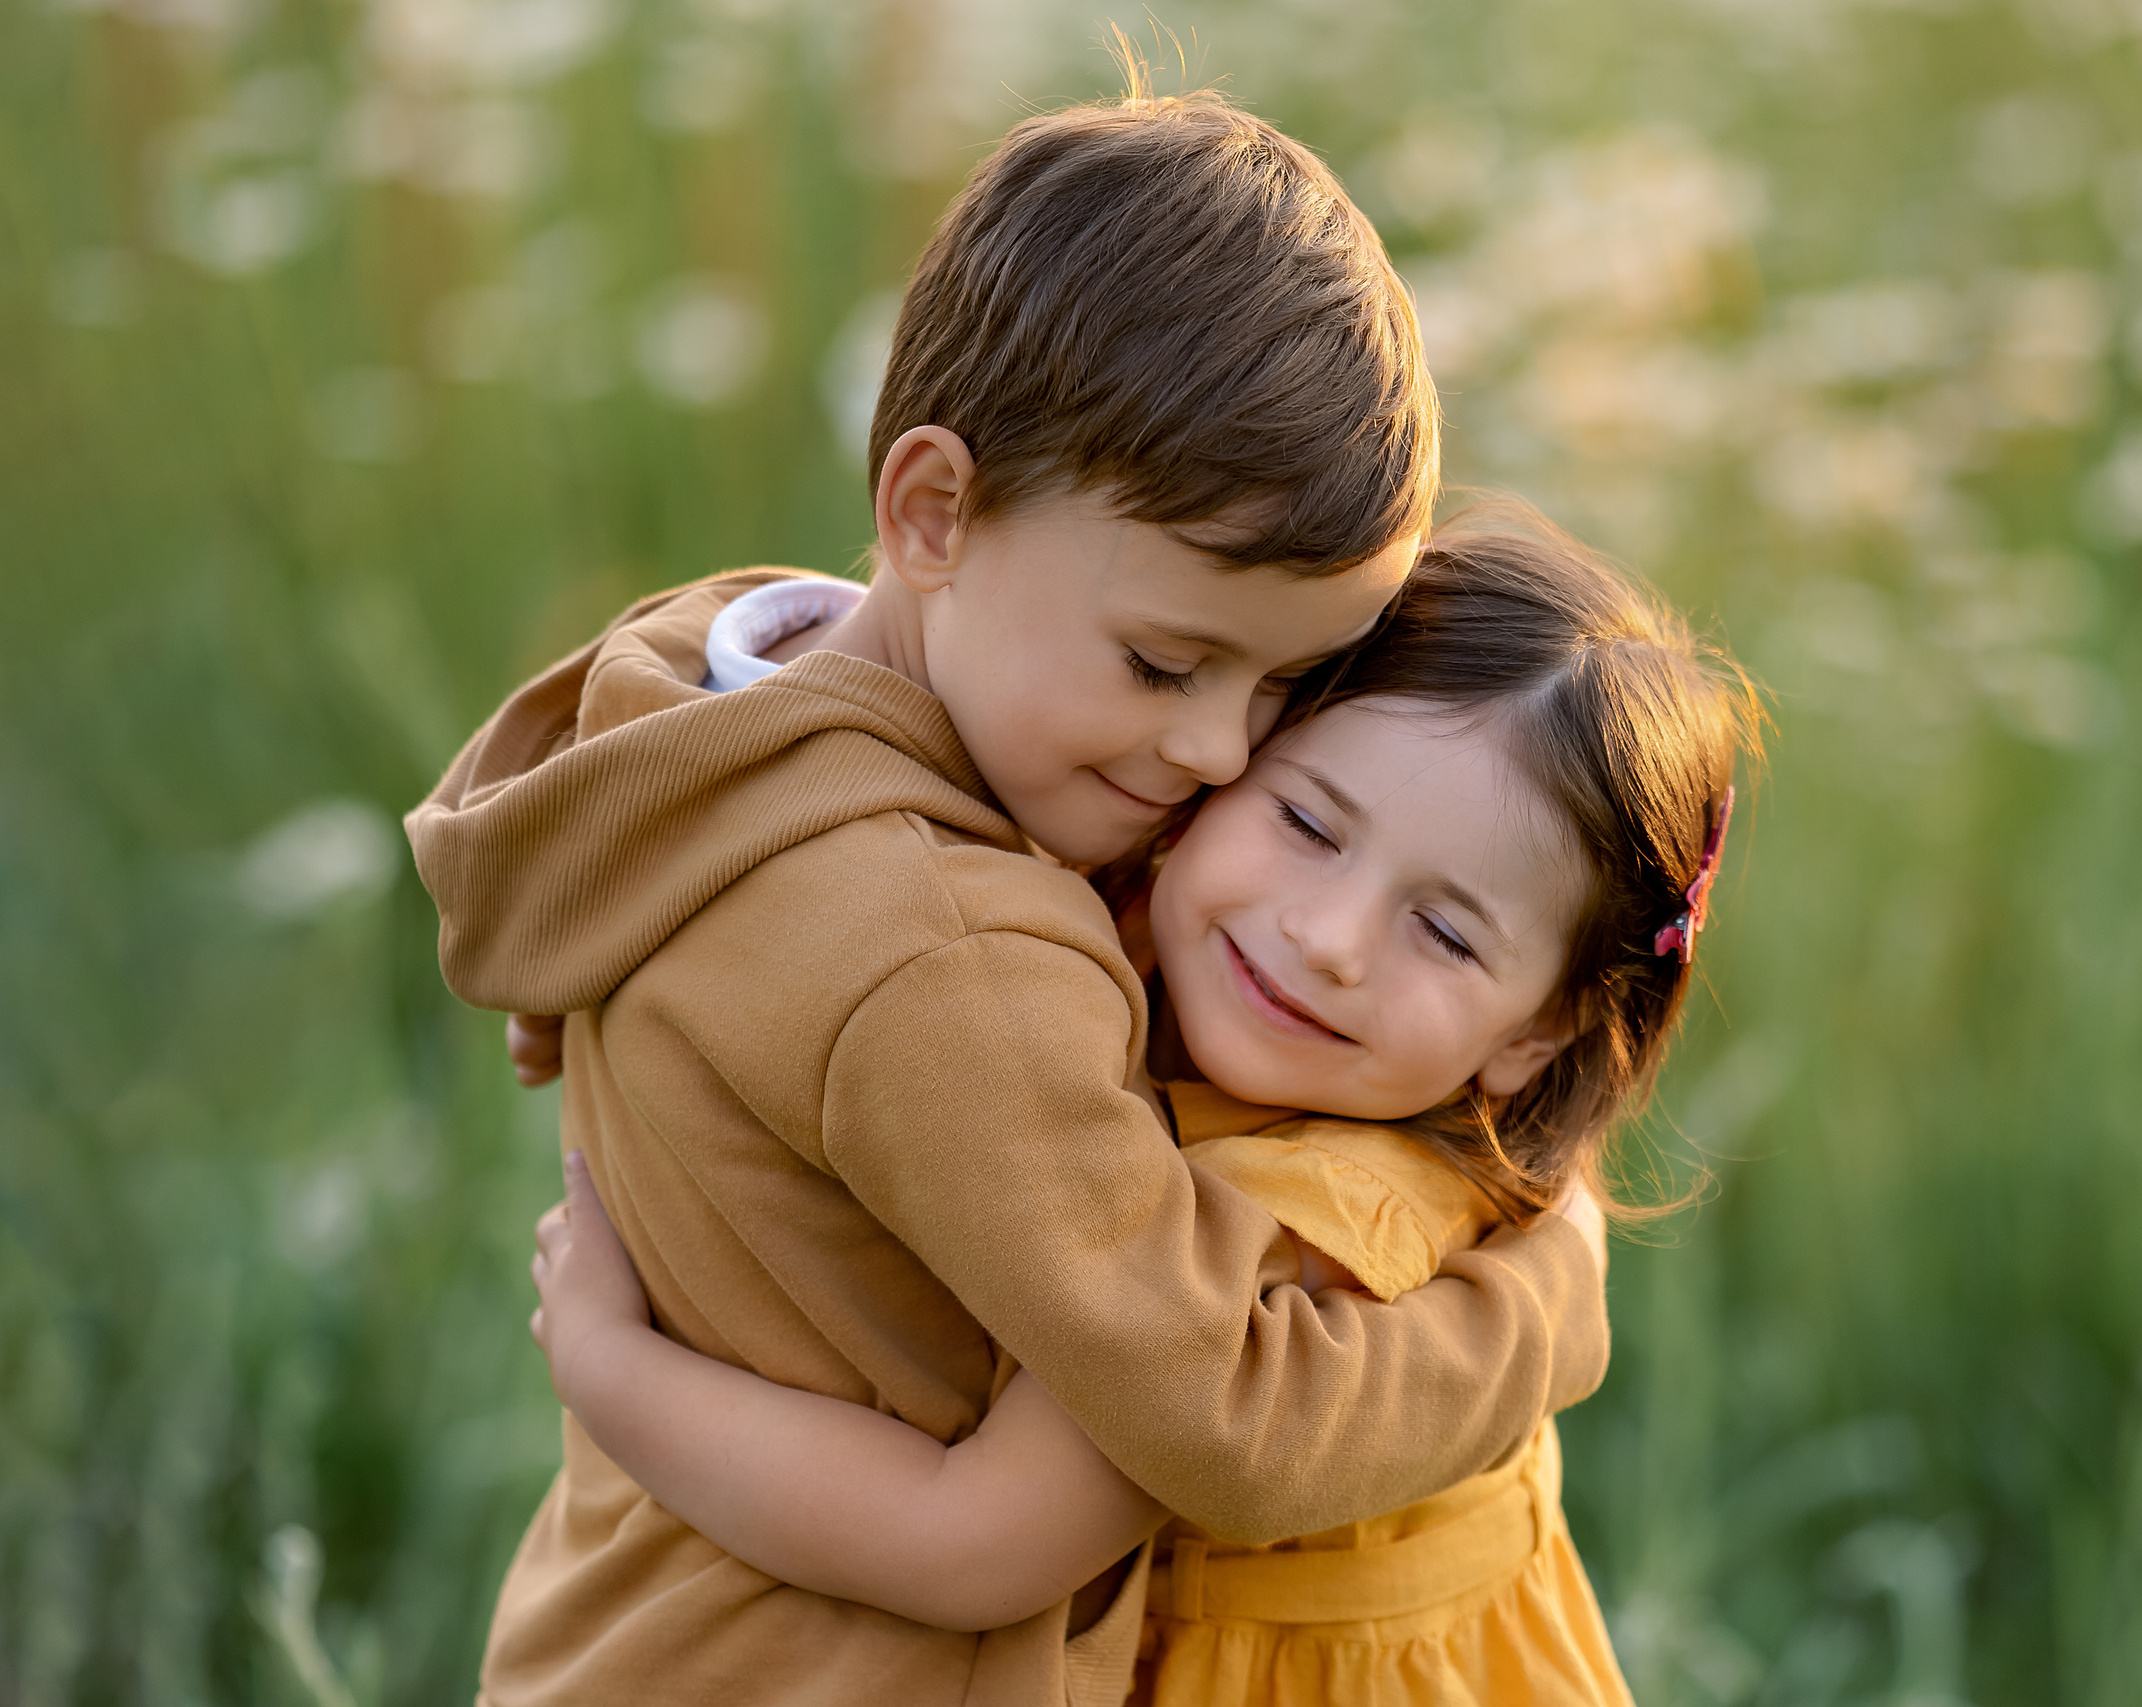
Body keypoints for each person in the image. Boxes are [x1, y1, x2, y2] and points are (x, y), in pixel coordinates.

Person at [404, 86, 1612, 1707]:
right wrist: (1544, 1303)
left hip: (615, 1630)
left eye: (1278, 689)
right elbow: (1229, 1417)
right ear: (931, 510)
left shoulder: (695, 708)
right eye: (1165, 662)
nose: (1209, 748)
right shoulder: (956, 954)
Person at [521, 513, 1763, 1705]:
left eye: (1443, 931)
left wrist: (613, 1372)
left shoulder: (1309, 1225)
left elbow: (972, 1545)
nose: (1328, 939)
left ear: (1536, 1032)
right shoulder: (1106, 927)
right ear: (1217, 756)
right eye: (1306, 820)